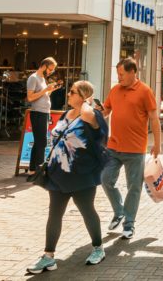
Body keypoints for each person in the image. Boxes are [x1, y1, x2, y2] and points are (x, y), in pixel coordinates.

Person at [26, 81, 109, 274]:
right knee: (54, 214)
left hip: (82, 174)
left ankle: (98, 248)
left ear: (82, 96)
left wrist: (88, 100)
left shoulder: (91, 115)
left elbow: (88, 114)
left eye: (72, 92)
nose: (68, 95)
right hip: (58, 174)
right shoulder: (66, 114)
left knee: (87, 211)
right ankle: (48, 257)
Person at [101, 59, 160, 240]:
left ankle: (129, 224)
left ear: (133, 71)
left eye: (121, 74)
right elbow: (105, 111)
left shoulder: (144, 91)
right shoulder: (115, 90)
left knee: (133, 188)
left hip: (135, 149)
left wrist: (157, 144)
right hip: (113, 147)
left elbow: (154, 118)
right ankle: (119, 211)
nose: (119, 78)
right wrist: (94, 111)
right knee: (105, 179)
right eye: (118, 74)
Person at [26, 57, 61, 177]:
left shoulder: (42, 79)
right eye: (50, 69)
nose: (51, 72)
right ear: (44, 66)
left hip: (44, 112)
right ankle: (39, 170)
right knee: (41, 142)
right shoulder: (33, 78)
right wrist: (45, 89)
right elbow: (30, 98)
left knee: (39, 142)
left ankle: (33, 169)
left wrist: (50, 90)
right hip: (38, 113)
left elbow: (41, 95)